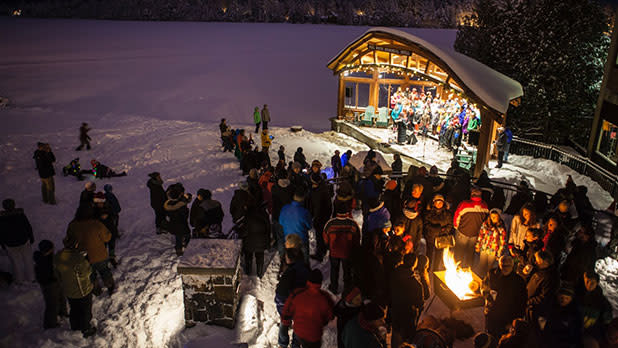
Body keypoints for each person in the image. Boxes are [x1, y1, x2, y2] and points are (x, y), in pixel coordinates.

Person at [66, 204, 114, 295]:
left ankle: (96, 289)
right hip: (99, 255)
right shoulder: (96, 224)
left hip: (84, 257)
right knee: (104, 271)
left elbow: (69, 241)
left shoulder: (73, 225)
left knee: (90, 275)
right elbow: (107, 237)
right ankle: (110, 285)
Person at [55, 235, 96, 337]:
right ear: (75, 245)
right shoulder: (78, 259)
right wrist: (88, 263)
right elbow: (86, 272)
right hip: (82, 291)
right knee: (85, 310)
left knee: (74, 309)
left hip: (68, 290)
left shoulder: (58, 256)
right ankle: (86, 329)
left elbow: (57, 272)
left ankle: (74, 325)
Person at [281, 269, 334, 348]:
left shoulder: (297, 293)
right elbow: (330, 316)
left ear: (308, 280)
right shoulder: (325, 298)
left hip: (299, 331)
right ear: (320, 282)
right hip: (314, 334)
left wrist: (285, 324)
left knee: (297, 341)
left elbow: (287, 310)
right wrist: (322, 322)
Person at [482, 255, 527, 340]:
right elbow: (484, 287)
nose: (505, 268)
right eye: (503, 265)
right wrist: (488, 296)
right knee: (489, 337)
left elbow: (522, 303)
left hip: (506, 318)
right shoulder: (492, 274)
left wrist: (513, 322)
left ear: (512, 266)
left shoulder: (518, 281)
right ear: (499, 264)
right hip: (492, 314)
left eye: (508, 266)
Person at [390, 253, 429, 348]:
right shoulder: (416, 284)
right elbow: (420, 303)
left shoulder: (394, 272)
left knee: (395, 334)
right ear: (414, 264)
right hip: (407, 317)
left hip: (395, 312)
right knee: (405, 339)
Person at [323, 202, 360, 294]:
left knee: (334, 270)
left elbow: (325, 236)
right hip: (347, 252)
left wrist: (328, 246)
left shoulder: (330, 223)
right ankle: (347, 288)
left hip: (334, 252)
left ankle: (334, 287)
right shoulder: (352, 224)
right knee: (347, 271)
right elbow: (357, 238)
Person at [276, 248, 310, 348]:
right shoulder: (306, 269)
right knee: (298, 326)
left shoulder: (290, 271)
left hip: (288, 304)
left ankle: (283, 344)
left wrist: (280, 304)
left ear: (291, 259)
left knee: (284, 324)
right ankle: (295, 345)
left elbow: (281, 293)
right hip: (302, 304)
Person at [34, 240, 68, 329]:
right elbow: (45, 276)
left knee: (61, 297)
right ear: (49, 250)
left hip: (56, 282)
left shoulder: (48, 258)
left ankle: (63, 313)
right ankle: (50, 324)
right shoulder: (44, 262)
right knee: (52, 304)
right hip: (50, 285)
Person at [0, 198, 35, 284]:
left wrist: (2, 244)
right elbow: (28, 227)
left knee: (16, 263)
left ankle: (19, 280)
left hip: (10, 244)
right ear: (14, 205)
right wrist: (31, 237)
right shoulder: (20, 215)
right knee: (28, 260)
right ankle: (32, 278)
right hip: (24, 241)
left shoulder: (1, 218)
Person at [453, 187, 489, 268]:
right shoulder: (484, 205)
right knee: (470, 254)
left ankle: (456, 268)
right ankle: (468, 269)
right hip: (475, 234)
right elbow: (485, 221)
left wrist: (456, 227)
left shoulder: (464, 204)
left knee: (459, 253)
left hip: (462, 232)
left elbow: (457, 217)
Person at [526, 250, 559, 330]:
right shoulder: (540, 271)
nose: (536, 263)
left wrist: (529, 301)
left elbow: (545, 297)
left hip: (537, 311)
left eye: (537, 261)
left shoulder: (550, 277)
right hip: (531, 308)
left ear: (545, 262)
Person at [578, 271, 613, 342]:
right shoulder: (577, 295)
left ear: (597, 283)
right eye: (587, 281)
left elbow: (606, 322)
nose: (589, 285)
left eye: (592, 283)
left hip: (590, 334)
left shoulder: (602, 302)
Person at [279, 189, 313, 263]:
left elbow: (280, 222)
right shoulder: (305, 212)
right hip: (301, 240)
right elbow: (309, 226)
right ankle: (305, 271)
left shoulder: (285, 208)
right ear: (303, 199)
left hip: (288, 239)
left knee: (290, 260)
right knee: (305, 259)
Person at [424, 194, 453, 271]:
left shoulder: (447, 214)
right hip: (430, 237)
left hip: (442, 238)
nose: (439, 204)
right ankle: (427, 267)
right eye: (437, 202)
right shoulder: (429, 213)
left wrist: (444, 231)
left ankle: (436, 269)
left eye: (440, 202)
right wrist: (439, 229)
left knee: (439, 254)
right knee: (429, 253)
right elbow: (426, 225)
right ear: (433, 203)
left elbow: (450, 225)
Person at [475, 208, 507, 277]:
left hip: (493, 250)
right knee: (482, 264)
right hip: (484, 248)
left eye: (495, 217)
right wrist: (478, 245)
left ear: (499, 217)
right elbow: (481, 235)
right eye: (492, 216)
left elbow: (502, 242)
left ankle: (487, 279)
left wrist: (499, 253)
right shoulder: (485, 224)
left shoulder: (501, 228)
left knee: (489, 267)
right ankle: (480, 278)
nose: (493, 218)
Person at [309, 173, 332, 261]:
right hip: (324, 216)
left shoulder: (317, 192)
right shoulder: (324, 188)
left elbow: (316, 206)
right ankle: (324, 248)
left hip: (320, 217)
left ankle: (320, 254)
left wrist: (314, 217)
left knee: (319, 236)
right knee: (322, 234)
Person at [164, 183, 192, 256]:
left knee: (178, 237)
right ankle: (184, 249)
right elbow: (185, 203)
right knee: (186, 235)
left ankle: (179, 251)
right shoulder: (180, 204)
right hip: (181, 223)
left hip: (174, 224)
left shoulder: (169, 203)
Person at [242, 205, 271, 278]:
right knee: (260, 256)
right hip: (262, 241)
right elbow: (268, 228)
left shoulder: (248, 216)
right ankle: (259, 273)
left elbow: (244, 232)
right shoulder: (264, 214)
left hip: (249, 242)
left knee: (248, 256)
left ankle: (248, 272)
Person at [93, 192, 120, 268]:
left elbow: (115, 216)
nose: (99, 204)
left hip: (110, 230)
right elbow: (92, 221)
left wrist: (108, 216)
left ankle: (112, 258)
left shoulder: (108, 206)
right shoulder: (94, 209)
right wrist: (99, 218)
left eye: (101, 202)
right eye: (98, 202)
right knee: (103, 248)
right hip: (101, 233)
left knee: (111, 246)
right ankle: (104, 262)